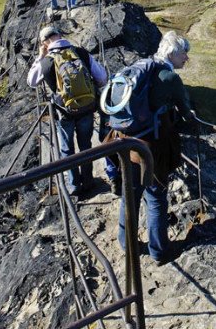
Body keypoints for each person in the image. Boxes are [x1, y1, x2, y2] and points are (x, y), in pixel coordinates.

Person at [114, 31, 193, 265]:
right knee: (156, 197)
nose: (186, 59)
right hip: (152, 148)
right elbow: (186, 111)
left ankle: (126, 244)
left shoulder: (141, 67)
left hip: (128, 141)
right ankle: (158, 251)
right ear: (172, 53)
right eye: (184, 53)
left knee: (130, 194)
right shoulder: (169, 77)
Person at [27, 25, 108, 195]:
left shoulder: (47, 61)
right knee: (86, 145)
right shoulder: (80, 52)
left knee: (67, 148)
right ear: (60, 34)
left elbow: (32, 82)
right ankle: (88, 181)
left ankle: (73, 185)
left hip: (63, 112)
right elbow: (102, 78)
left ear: (44, 43)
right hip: (86, 108)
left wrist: (40, 56)